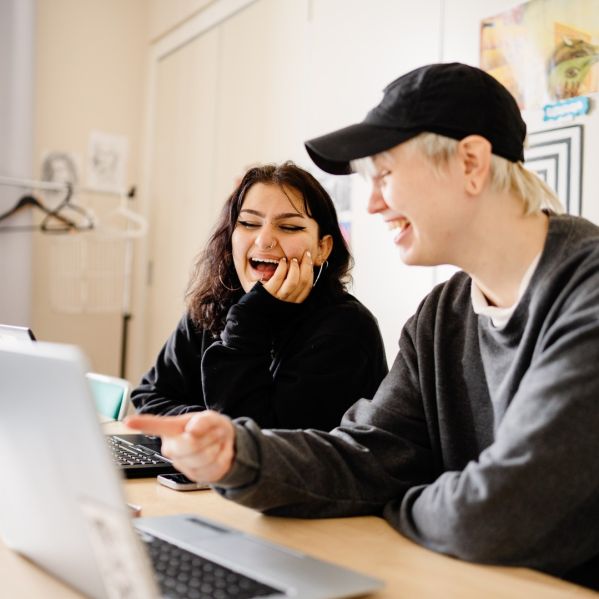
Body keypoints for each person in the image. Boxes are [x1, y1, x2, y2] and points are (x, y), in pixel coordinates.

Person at [127, 63, 599, 588]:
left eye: (386, 174)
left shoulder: (588, 294)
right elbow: (369, 454)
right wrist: (240, 454)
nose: (371, 203)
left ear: (471, 162)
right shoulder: (441, 315)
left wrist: (395, 500)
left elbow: (502, 512)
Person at [131, 161, 387, 431]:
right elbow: (149, 396)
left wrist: (250, 319)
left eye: (289, 227)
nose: (264, 240)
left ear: (322, 248)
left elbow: (264, 447)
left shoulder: (346, 330)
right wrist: (204, 426)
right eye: (249, 223)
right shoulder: (215, 304)